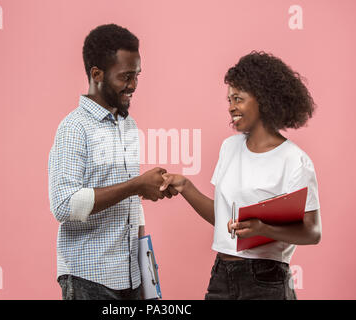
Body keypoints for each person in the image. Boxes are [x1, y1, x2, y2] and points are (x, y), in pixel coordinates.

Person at [160, 51, 321, 300]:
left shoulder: (295, 161)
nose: (231, 107)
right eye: (229, 99)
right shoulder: (229, 148)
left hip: (266, 279)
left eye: (238, 99)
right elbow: (225, 219)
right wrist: (186, 186)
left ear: (264, 100)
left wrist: (263, 228)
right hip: (222, 275)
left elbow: (312, 232)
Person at [48, 24, 177, 300]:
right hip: (89, 280)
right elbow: (63, 204)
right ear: (97, 74)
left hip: (130, 278)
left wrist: (147, 274)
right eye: (125, 77)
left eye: (137, 76)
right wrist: (136, 185)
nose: (133, 85)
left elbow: (132, 206)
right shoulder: (74, 128)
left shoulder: (127, 125)